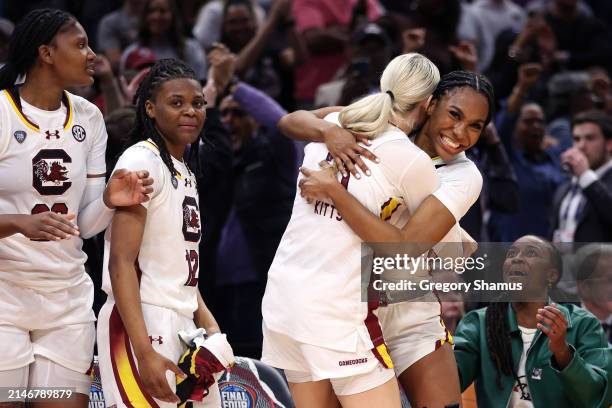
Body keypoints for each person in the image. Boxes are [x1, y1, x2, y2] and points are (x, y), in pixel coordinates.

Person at [283, 70, 494, 407]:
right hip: (349, 312)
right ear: (430, 104)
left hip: (410, 310)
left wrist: (335, 192)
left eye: (475, 126)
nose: (460, 133)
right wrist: (331, 131)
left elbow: (407, 248)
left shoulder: (463, 174)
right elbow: (293, 120)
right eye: (455, 115)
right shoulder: (380, 124)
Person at [262, 53, 441, 408]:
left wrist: (328, 130)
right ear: (429, 104)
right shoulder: (411, 160)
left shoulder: (336, 120)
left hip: (283, 299)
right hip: (335, 312)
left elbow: (287, 121)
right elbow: (406, 249)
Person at [0, 8, 152, 408]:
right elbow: (22, 222)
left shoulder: (89, 116)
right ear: (46, 53)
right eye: (80, 44)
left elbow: (83, 226)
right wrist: (17, 222)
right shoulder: (1, 112)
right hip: (4, 297)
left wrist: (108, 201)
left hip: (66, 300)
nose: (92, 55)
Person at [96, 59, 235, 407]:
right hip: (140, 320)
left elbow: (181, 266)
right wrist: (143, 353)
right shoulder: (142, 161)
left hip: (184, 322)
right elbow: (121, 264)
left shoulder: (186, 170)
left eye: (198, 103)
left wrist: (212, 327)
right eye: (176, 102)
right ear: (150, 108)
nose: (190, 111)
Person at [454, 235, 612, 407]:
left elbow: (598, 397)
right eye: (511, 253)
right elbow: (451, 380)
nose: (517, 258)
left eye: (531, 253)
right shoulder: (479, 323)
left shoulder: (584, 325)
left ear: (551, 275)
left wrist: (563, 353)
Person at [551, 110, 612, 243]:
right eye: (577, 139)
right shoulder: (567, 184)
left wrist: (585, 175)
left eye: (590, 138)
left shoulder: (586, 178)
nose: (581, 146)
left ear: (609, 144)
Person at [119, 0, 207, 81]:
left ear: (173, 15)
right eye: (151, 11)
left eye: (163, 11)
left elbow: (201, 84)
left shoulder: (191, 49)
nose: (156, 16)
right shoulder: (131, 53)